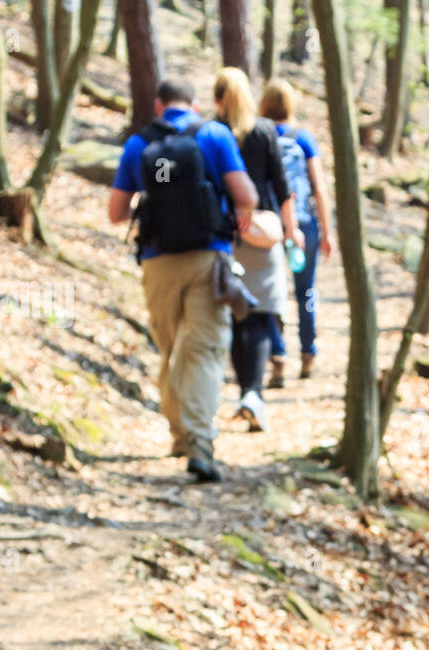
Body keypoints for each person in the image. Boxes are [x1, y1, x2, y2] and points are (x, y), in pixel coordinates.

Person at [107, 78, 257, 483]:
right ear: (193, 104)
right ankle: (201, 444)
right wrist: (238, 216)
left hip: (158, 261)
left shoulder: (140, 144)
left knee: (171, 348)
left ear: (158, 106)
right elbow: (246, 195)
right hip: (209, 258)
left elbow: (116, 213)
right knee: (205, 350)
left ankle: (178, 435)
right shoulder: (214, 134)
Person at [213, 67, 299, 428]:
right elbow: (282, 186)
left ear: (218, 98)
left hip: (227, 233)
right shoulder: (265, 131)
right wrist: (292, 231)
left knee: (236, 312)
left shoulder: (212, 131)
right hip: (263, 233)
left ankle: (245, 390)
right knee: (263, 313)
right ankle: (254, 393)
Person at [259, 78, 333, 383]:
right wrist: (327, 231)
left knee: (273, 291)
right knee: (308, 290)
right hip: (304, 222)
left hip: (270, 225)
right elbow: (318, 187)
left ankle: (277, 355)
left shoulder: (259, 136)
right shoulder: (304, 138)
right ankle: (308, 351)